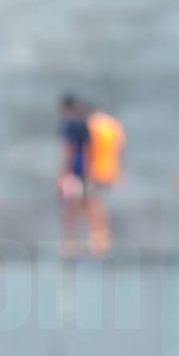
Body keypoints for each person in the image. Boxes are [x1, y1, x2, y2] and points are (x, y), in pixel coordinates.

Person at [85, 105, 126, 253]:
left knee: (94, 203)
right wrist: (120, 172)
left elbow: (88, 148)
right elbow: (119, 149)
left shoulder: (91, 125)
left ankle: (99, 237)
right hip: (110, 171)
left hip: (95, 170)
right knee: (100, 203)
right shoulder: (114, 125)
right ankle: (103, 235)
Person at [56, 94, 92, 256]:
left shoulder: (69, 125)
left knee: (68, 208)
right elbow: (89, 150)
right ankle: (85, 240)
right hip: (83, 171)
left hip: (71, 172)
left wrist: (61, 173)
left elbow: (67, 150)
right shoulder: (84, 124)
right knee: (81, 205)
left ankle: (70, 242)